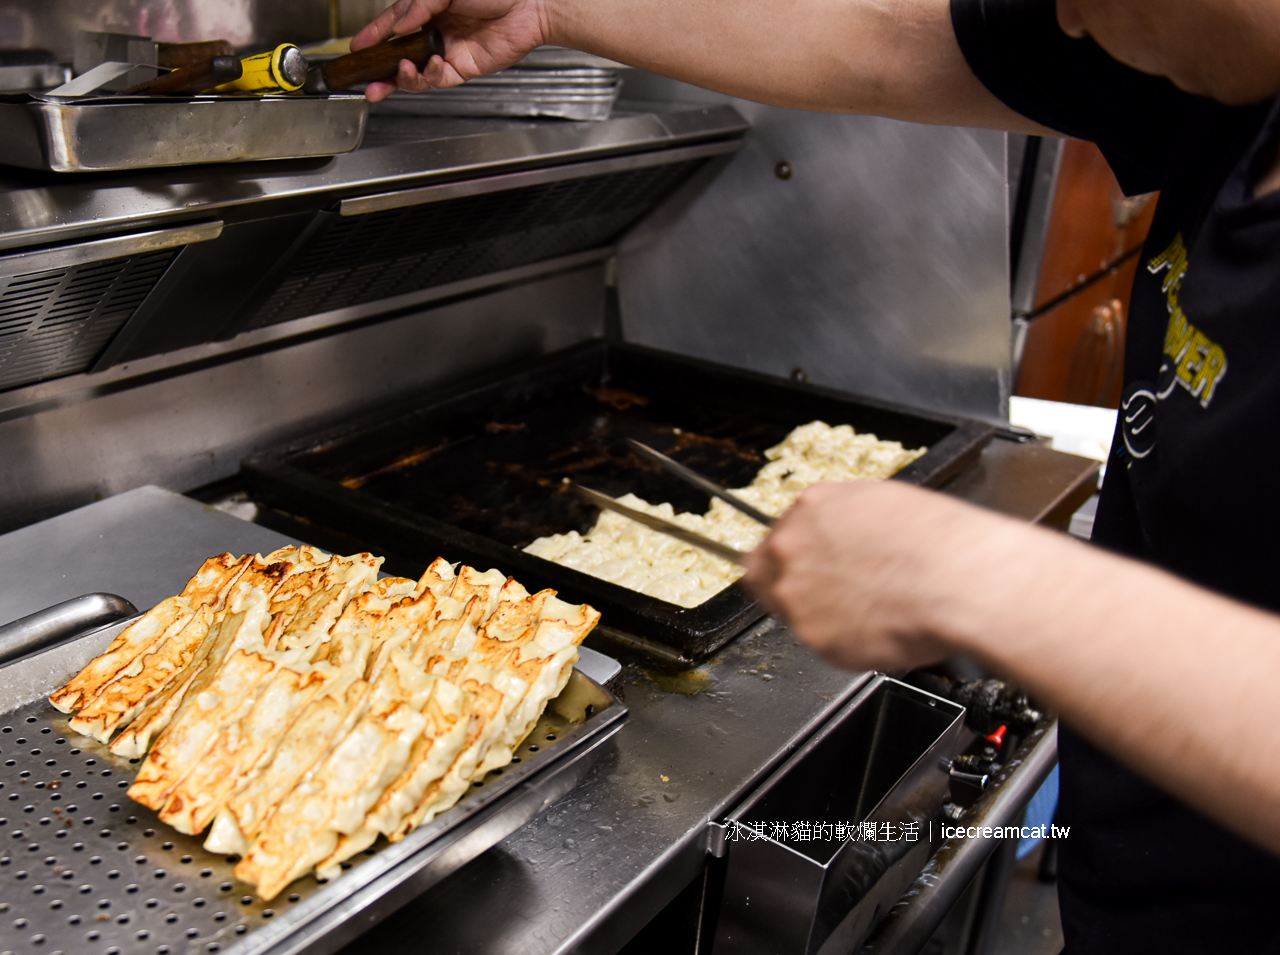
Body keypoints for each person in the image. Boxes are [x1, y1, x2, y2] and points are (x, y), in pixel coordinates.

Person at [354, 0, 1280, 949]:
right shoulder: (1219, 65)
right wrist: (554, 7)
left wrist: (994, 581)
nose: (1063, 15)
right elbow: (894, 39)